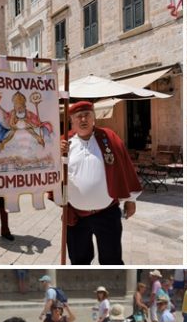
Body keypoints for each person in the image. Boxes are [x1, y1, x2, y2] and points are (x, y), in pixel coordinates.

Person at [60, 101, 142, 265]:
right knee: (79, 261)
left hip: (107, 213)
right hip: (76, 216)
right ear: (71, 121)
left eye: (87, 115)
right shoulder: (64, 143)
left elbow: (124, 165)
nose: (83, 119)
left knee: (112, 259)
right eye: (78, 116)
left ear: (93, 118)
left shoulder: (108, 138)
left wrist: (131, 200)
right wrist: (58, 155)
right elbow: (53, 173)